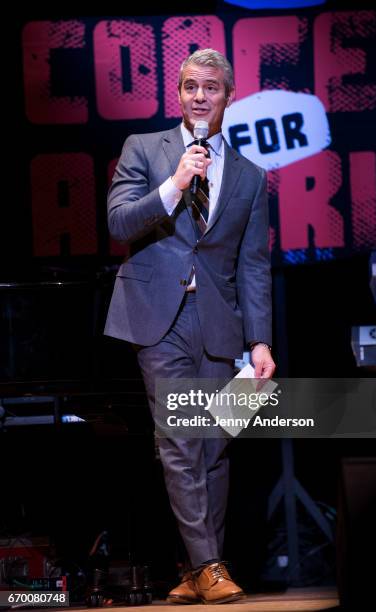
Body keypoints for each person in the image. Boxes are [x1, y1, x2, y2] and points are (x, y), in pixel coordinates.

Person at [104, 48, 276, 605]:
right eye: (189, 87)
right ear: (177, 94)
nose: (199, 96)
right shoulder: (144, 150)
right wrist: (174, 185)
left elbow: (252, 265)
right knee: (178, 440)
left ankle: (198, 570)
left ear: (228, 95)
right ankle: (209, 564)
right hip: (158, 318)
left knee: (212, 448)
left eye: (210, 88)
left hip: (219, 324)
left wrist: (260, 340)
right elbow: (118, 221)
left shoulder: (251, 177)